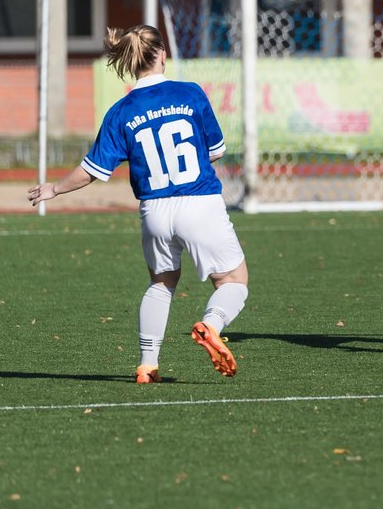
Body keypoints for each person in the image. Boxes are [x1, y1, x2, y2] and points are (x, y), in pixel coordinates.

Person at [27, 25, 248, 383]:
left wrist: (53, 189)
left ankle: (148, 364)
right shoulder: (190, 93)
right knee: (234, 280)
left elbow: (92, 171)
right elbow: (216, 151)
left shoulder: (120, 111)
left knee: (161, 284)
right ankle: (211, 324)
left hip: (154, 211)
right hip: (199, 202)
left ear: (130, 64)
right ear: (163, 55)